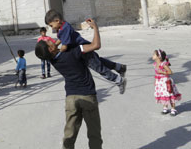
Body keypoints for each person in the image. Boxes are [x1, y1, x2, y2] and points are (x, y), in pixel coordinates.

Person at [35, 18, 105, 149]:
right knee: (94, 134)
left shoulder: (53, 61)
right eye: (50, 42)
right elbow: (96, 45)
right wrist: (95, 27)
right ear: (51, 49)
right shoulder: (73, 51)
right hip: (87, 96)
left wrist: (62, 38)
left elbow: (57, 46)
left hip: (71, 99)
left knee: (69, 135)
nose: (52, 40)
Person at [45, 9, 127, 94]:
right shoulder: (63, 26)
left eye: (51, 25)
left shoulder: (64, 29)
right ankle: (119, 67)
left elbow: (65, 47)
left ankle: (119, 80)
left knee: (98, 67)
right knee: (97, 61)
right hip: (82, 48)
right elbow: (61, 39)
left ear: (57, 21)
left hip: (82, 49)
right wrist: (55, 45)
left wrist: (58, 51)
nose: (52, 27)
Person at [153, 49, 181, 116]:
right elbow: (156, 74)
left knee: (170, 95)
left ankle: (173, 109)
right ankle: (165, 108)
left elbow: (170, 72)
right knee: (163, 95)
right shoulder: (155, 64)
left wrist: (162, 72)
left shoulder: (163, 64)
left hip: (166, 82)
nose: (153, 56)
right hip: (159, 82)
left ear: (159, 56)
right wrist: (155, 81)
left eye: (154, 54)